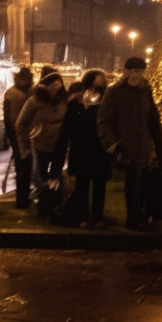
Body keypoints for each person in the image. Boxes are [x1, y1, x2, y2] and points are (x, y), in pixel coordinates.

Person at [97, 56, 162, 230]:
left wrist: (160, 148)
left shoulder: (146, 91)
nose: (137, 75)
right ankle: (134, 219)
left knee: (144, 182)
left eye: (140, 71)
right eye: (134, 71)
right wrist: (112, 145)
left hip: (142, 145)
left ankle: (141, 217)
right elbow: (103, 120)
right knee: (133, 182)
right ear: (126, 72)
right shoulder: (115, 92)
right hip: (125, 145)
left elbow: (152, 120)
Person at [51, 69, 112, 227]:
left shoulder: (106, 101)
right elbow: (66, 130)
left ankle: (98, 217)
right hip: (81, 149)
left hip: (99, 150)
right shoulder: (77, 102)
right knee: (82, 185)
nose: (101, 84)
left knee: (99, 186)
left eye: (102, 82)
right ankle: (83, 217)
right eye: (98, 81)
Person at [15, 70, 68, 193]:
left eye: (59, 84)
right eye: (54, 84)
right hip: (39, 144)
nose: (57, 87)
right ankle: (43, 201)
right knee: (40, 176)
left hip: (59, 145)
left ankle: (56, 202)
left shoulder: (64, 101)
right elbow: (21, 124)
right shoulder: (34, 101)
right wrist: (25, 148)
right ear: (46, 85)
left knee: (56, 176)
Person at [3, 67, 34, 209]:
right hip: (20, 133)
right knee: (23, 167)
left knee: (25, 167)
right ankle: (22, 198)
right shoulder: (14, 93)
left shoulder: (28, 92)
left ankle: (23, 197)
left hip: (25, 133)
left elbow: (7, 116)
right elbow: (8, 117)